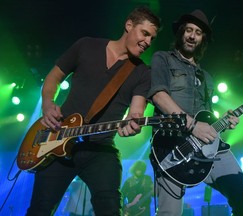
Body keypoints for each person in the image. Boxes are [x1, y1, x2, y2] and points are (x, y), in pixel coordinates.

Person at [26, 6, 161, 216]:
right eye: (145, 33)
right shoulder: (86, 45)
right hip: (57, 141)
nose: (148, 42)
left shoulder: (142, 73)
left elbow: (137, 110)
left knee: (110, 209)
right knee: (39, 209)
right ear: (129, 25)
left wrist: (133, 124)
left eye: (152, 38)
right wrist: (47, 103)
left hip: (101, 150)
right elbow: (54, 77)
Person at [148, 9, 243, 216]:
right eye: (189, 30)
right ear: (181, 32)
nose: (192, 36)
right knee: (169, 213)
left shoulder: (207, 76)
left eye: (198, 32)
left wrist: (224, 120)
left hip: (208, 148)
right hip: (172, 145)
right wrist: (192, 125)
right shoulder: (163, 58)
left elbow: (207, 116)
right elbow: (159, 96)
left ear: (202, 39)